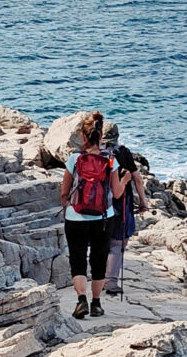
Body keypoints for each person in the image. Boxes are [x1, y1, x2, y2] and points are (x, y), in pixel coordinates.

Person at [60, 111, 132, 319]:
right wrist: (125, 180)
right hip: (103, 218)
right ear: (100, 136)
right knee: (99, 261)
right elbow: (117, 193)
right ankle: (96, 304)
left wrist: (68, 208)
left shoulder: (75, 159)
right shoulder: (110, 161)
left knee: (78, 260)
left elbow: (64, 191)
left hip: (76, 218)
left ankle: (81, 300)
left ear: (83, 136)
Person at [103, 137, 150, 297]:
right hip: (120, 203)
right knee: (118, 243)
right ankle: (110, 283)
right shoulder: (122, 153)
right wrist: (143, 201)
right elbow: (137, 178)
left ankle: (98, 278)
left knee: (102, 241)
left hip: (96, 204)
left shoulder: (94, 152)